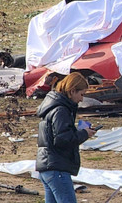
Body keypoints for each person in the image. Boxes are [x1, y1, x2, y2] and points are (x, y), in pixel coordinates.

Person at [36, 72, 96, 203]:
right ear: (72, 91)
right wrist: (84, 133)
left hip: (47, 166)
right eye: (82, 94)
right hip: (57, 168)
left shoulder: (52, 107)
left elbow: (58, 135)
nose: (81, 99)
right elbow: (62, 139)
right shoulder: (61, 110)